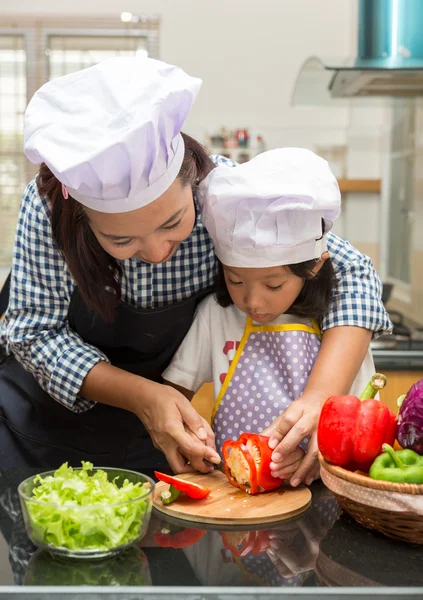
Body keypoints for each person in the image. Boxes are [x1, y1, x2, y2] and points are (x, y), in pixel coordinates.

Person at [0, 56, 391, 478]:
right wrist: (143, 396)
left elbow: (352, 272)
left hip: (167, 439)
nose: (154, 252)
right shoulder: (47, 208)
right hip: (41, 434)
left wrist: (321, 398)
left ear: (194, 182)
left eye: (172, 223)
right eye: (121, 240)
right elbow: (33, 333)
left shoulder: (228, 196)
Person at [163, 148, 378, 484]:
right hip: (236, 492)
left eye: (274, 285)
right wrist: (191, 437)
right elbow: (174, 399)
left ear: (314, 266)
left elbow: (363, 425)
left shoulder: (341, 328)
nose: (252, 300)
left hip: (330, 493)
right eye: (236, 280)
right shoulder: (215, 317)